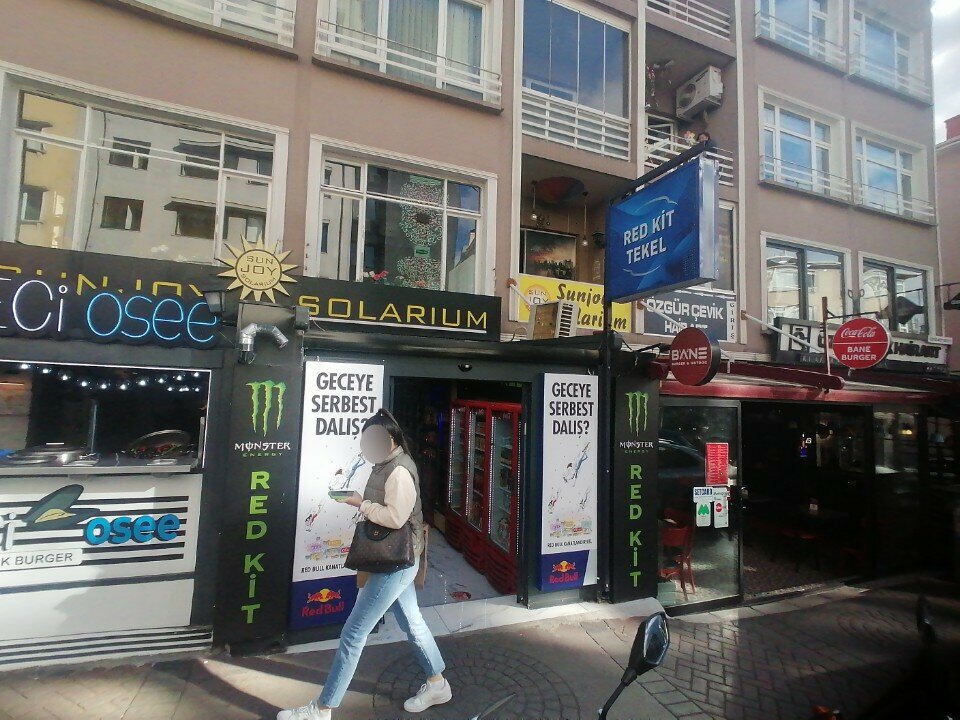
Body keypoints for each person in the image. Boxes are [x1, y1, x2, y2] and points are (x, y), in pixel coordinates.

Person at [278, 409, 451, 720]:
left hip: (396, 562)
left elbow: (396, 517)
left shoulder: (398, 471)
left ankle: (322, 708)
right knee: (413, 624)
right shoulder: (386, 465)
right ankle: (438, 683)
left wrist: (361, 503)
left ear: (392, 440)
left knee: (353, 634)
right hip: (399, 558)